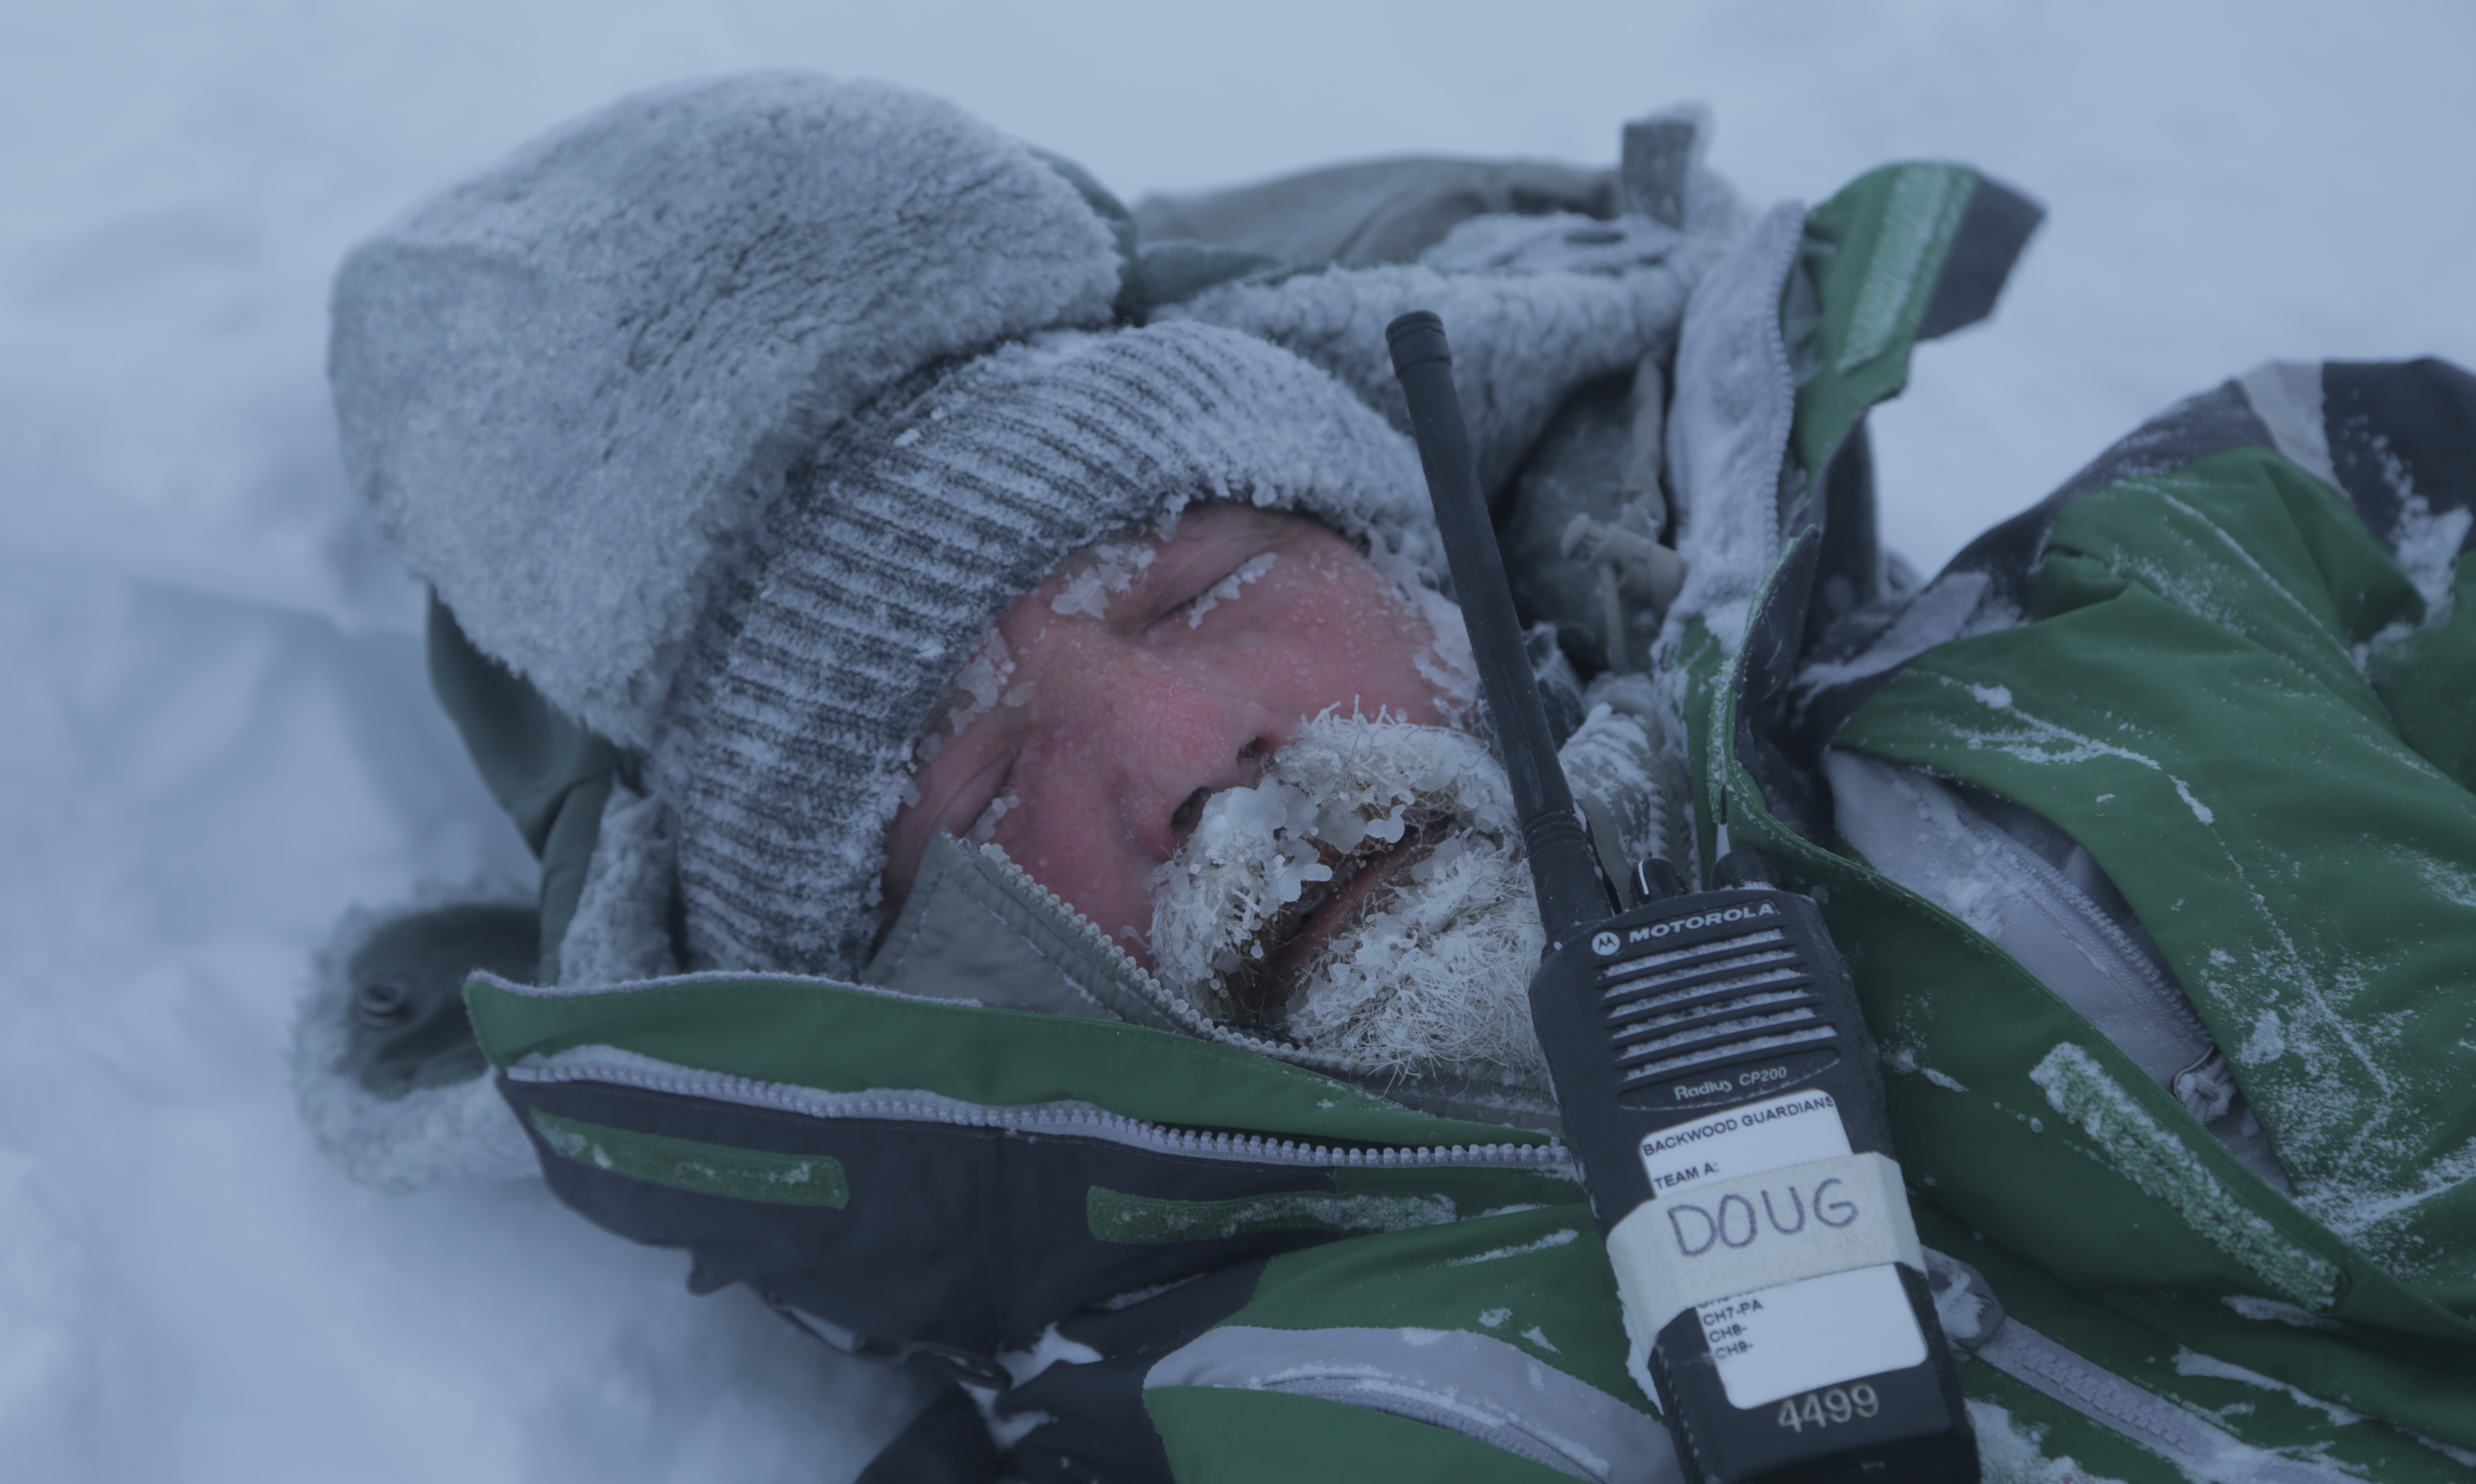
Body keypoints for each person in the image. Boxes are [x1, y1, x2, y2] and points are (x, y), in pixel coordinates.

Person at [294, 74, 2476, 1483]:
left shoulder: (2255, 575)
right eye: (971, 791)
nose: (1184, 750)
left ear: (1425, 557)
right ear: (897, 982)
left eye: (1206, 591)